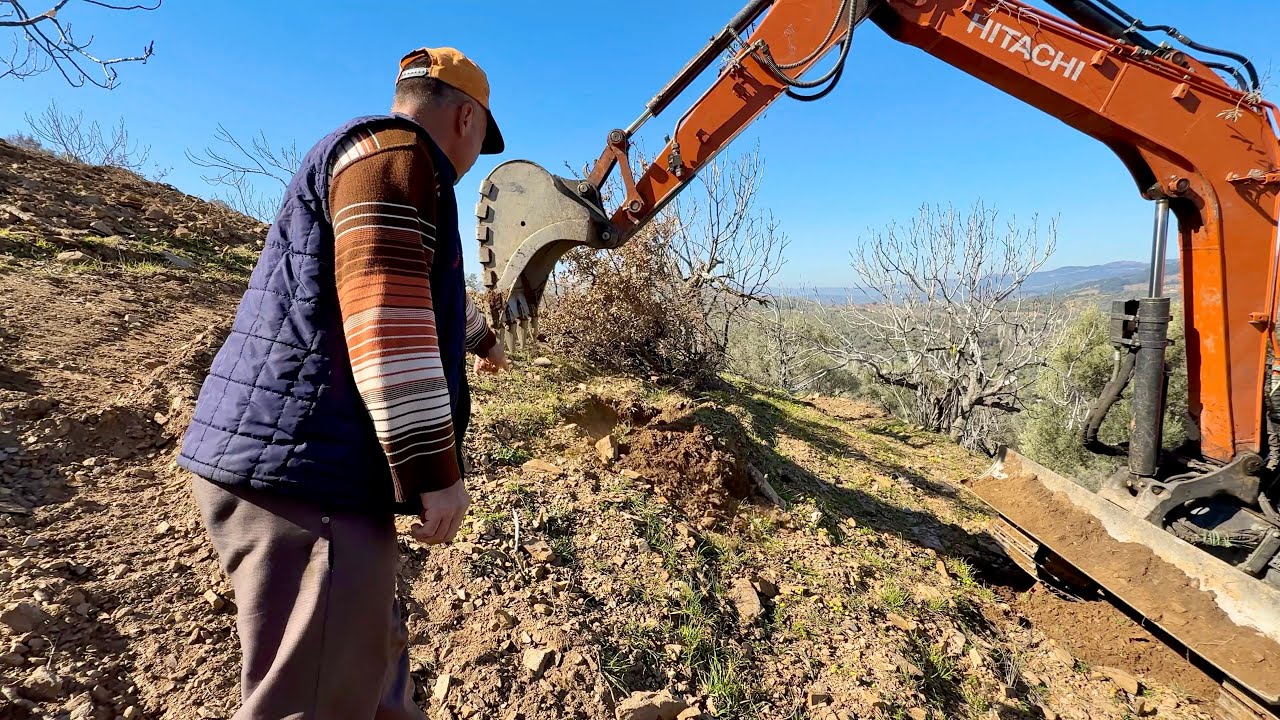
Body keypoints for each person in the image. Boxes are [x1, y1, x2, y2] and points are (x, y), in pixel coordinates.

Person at [176, 47, 509, 719]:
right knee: (316, 700)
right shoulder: (400, 157)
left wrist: (477, 337)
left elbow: (399, 274)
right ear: (467, 119)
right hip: (308, 481)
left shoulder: (376, 161)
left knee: (368, 673)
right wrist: (433, 472)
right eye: (483, 140)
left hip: (301, 470)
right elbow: (383, 308)